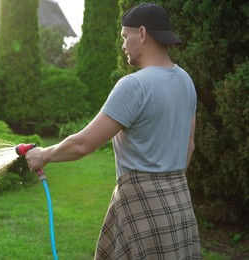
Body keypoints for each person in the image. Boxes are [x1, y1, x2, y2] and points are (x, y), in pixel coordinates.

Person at [26, 2, 201, 259]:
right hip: (179, 201)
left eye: (125, 36)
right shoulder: (186, 81)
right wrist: (166, 183)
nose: (122, 45)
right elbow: (189, 147)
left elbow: (83, 144)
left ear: (141, 33)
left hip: (141, 204)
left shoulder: (133, 85)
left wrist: (44, 155)